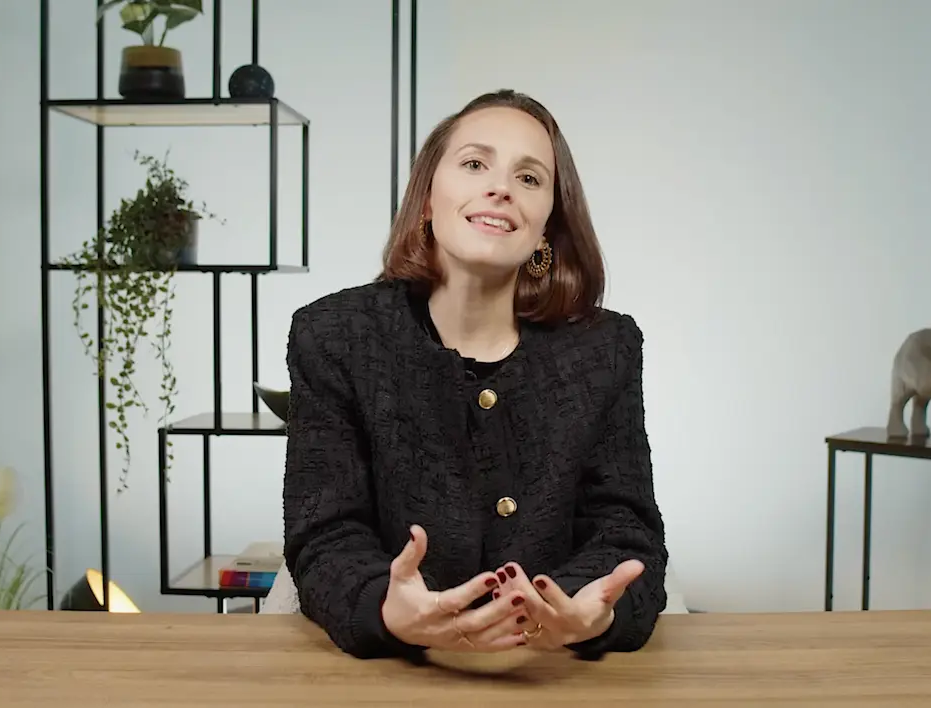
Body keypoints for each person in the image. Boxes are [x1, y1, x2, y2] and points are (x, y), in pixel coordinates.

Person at [282, 89, 668, 663]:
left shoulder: (604, 347)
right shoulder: (334, 335)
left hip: (550, 668)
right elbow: (325, 533)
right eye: (474, 164)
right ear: (427, 201)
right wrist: (386, 609)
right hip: (391, 666)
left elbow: (625, 531)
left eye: (530, 178)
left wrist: (584, 609)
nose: (501, 187)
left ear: (545, 230)